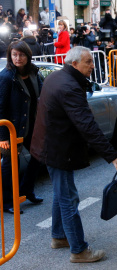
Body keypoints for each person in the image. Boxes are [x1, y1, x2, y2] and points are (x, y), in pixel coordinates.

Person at [30, 46, 117, 263]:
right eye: (88, 62)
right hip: (57, 150)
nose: (93, 66)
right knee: (68, 198)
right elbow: (88, 126)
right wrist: (113, 156)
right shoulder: (69, 86)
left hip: (51, 147)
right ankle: (78, 250)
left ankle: (59, 236)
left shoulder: (57, 77)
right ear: (74, 64)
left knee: (61, 194)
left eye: (92, 61)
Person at [0, 40, 44, 214]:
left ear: (28, 56)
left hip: (31, 125)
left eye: (21, 54)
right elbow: (1, 107)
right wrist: (2, 137)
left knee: (38, 156)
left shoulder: (33, 72)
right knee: (10, 165)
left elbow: (41, 95)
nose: (17, 58)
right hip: (13, 128)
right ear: (10, 56)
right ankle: (7, 202)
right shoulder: (6, 77)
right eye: (14, 55)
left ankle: (27, 190)